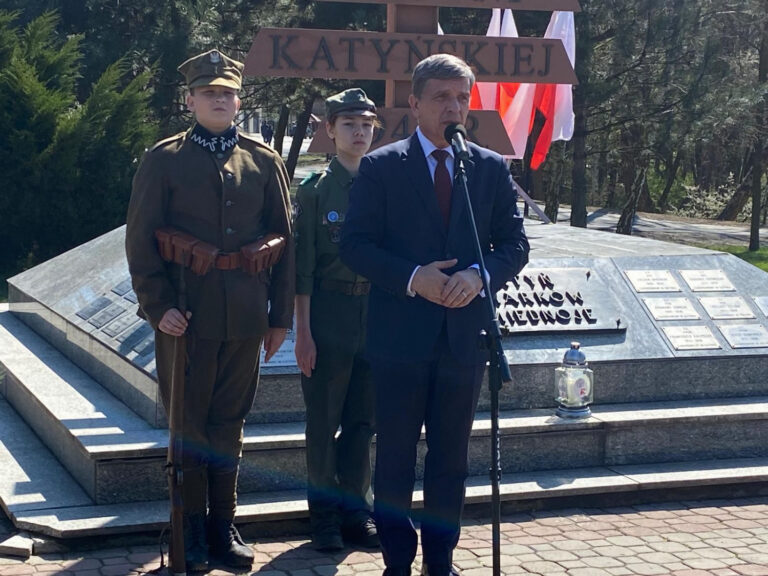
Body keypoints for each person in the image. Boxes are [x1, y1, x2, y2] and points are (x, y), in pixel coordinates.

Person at [339, 54, 529, 576]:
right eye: (442, 97)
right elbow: (355, 245)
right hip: (399, 339)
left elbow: (514, 245)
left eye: (461, 98)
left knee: (450, 463)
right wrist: (413, 275)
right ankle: (397, 562)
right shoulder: (382, 166)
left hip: (462, 341)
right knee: (396, 460)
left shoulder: (487, 167)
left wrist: (478, 276)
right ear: (415, 102)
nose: (453, 107)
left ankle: (439, 562)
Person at [125, 49, 294, 572]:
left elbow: (285, 240)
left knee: (229, 424)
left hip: (245, 315)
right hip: (186, 315)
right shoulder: (165, 159)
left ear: (238, 99)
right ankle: (190, 531)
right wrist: (158, 307)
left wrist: (279, 317)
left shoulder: (263, 160)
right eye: (208, 92)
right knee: (189, 427)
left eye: (226, 92)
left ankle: (224, 527)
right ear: (191, 99)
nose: (219, 99)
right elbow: (140, 240)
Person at [293, 88, 379, 551]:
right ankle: (324, 516)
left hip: (376, 314)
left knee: (364, 422)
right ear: (330, 130)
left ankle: (355, 510)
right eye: (349, 124)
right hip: (328, 312)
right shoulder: (314, 192)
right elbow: (302, 269)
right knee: (323, 421)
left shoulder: (384, 183)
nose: (359, 132)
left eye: (366, 125)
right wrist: (302, 334)